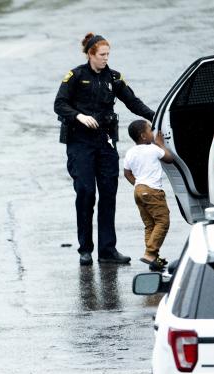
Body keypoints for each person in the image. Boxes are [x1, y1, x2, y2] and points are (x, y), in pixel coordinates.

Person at [54, 33, 156, 266]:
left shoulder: (114, 77)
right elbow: (59, 104)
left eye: (108, 55)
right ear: (91, 55)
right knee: (86, 193)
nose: (105, 59)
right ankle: (85, 249)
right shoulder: (76, 76)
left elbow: (133, 102)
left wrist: (154, 115)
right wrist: (78, 116)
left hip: (106, 142)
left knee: (108, 194)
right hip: (80, 143)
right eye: (102, 55)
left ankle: (108, 250)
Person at [123, 119, 174, 271]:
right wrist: (161, 144)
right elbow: (169, 159)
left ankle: (153, 260)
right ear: (143, 136)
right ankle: (150, 252)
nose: (153, 132)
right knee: (163, 222)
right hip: (152, 191)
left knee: (150, 225)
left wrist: (139, 186)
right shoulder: (153, 148)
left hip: (138, 191)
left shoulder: (130, 152)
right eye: (150, 130)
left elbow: (127, 173)